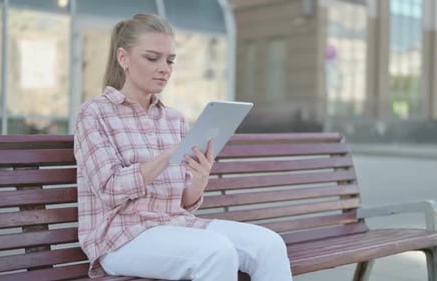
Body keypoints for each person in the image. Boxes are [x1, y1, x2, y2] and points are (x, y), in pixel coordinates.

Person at [73, 13, 292, 281]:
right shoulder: (95, 114)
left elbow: (183, 203)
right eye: (152, 58)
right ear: (123, 58)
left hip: (176, 225)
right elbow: (108, 188)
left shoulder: (174, 119)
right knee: (216, 251)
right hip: (119, 237)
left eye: (170, 60)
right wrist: (165, 158)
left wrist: (199, 180)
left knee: (269, 245)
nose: (164, 67)